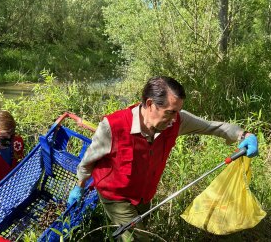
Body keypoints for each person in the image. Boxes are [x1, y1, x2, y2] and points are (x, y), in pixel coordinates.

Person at [67, 76, 259, 241]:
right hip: (115, 195)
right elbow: (88, 160)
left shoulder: (176, 121)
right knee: (137, 238)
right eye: (170, 112)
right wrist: (80, 186)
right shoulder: (112, 126)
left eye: (177, 112)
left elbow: (213, 127)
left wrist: (245, 135)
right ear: (150, 104)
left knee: (140, 229)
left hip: (144, 194)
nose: (175, 118)